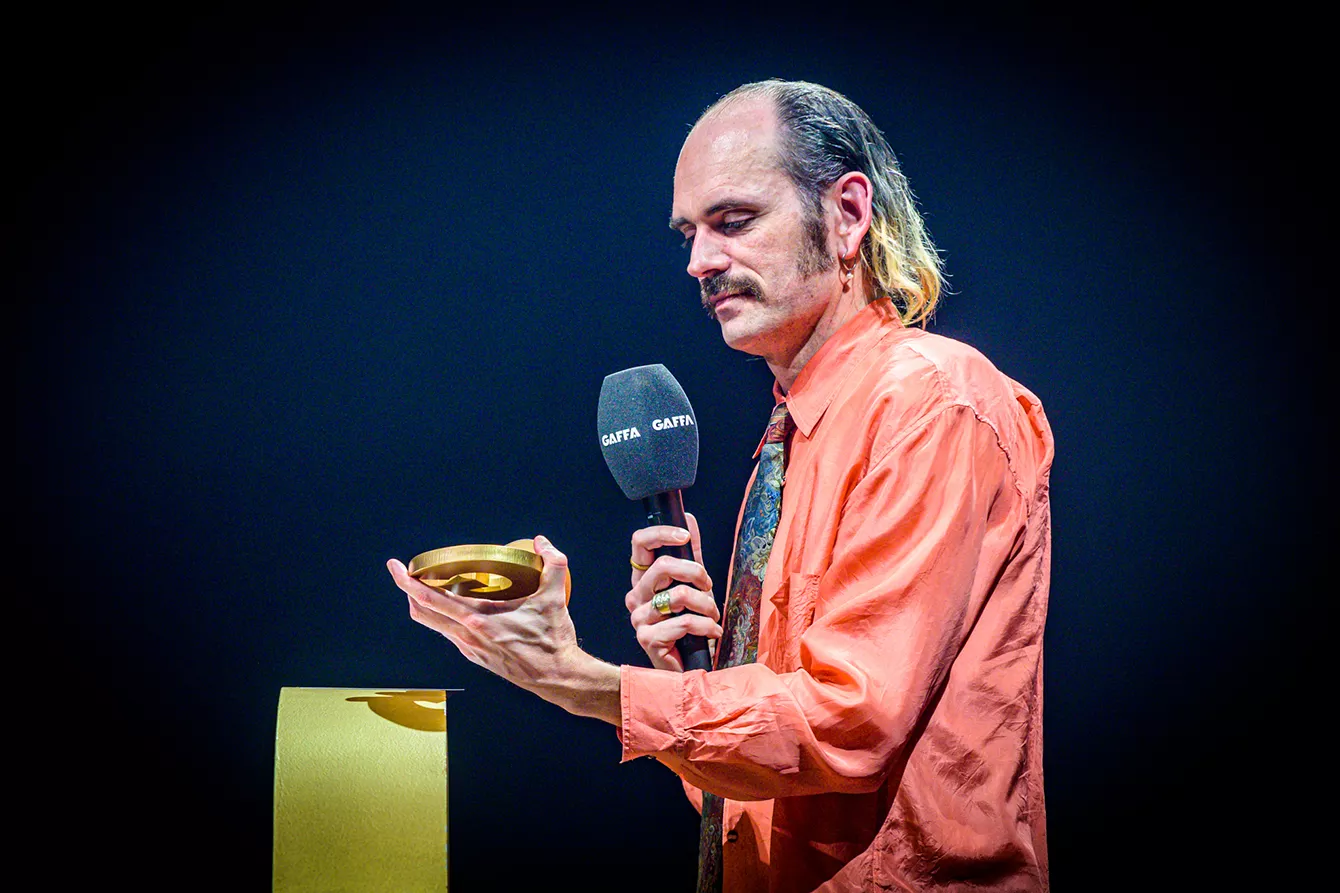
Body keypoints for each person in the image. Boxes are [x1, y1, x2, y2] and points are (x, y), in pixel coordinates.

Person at [388, 79, 1053, 892]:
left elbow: (851, 725)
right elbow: (747, 796)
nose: (699, 261)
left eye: (733, 221)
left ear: (848, 214)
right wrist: (687, 676)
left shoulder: (930, 403)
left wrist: (583, 682)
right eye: (689, 234)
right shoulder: (792, 432)